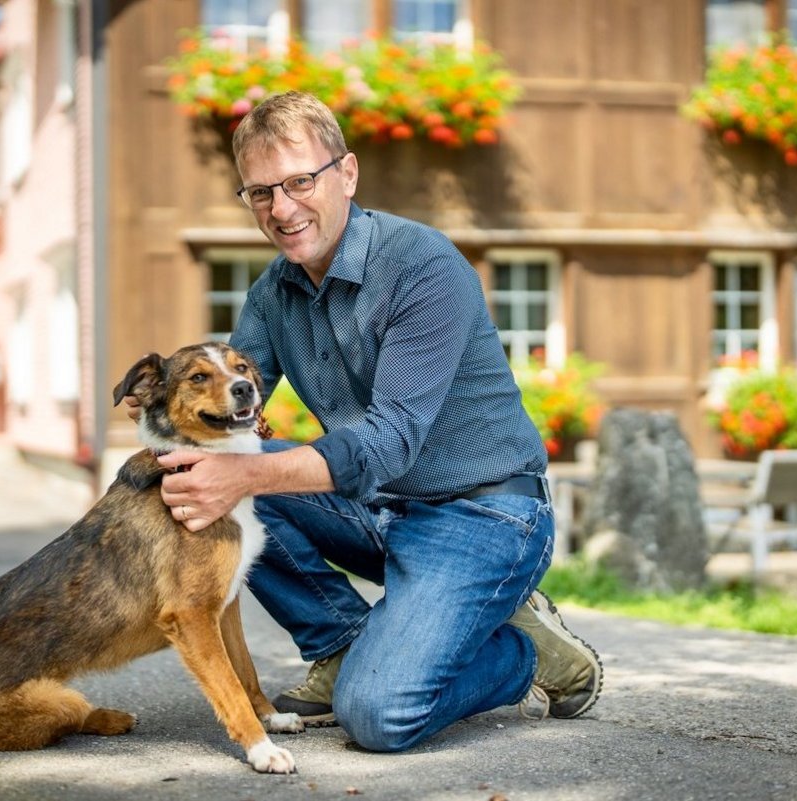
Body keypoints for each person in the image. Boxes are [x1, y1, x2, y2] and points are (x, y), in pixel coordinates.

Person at [131, 91, 601, 752]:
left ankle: (524, 652)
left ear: (347, 174)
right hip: (378, 506)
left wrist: (244, 468)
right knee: (222, 483)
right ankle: (342, 642)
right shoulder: (273, 291)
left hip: (486, 517)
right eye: (261, 192)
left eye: (300, 182)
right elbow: (232, 409)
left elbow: (387, 443)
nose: (283, 209)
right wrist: (169, 434)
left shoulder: (423, 267)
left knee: (378, 714)